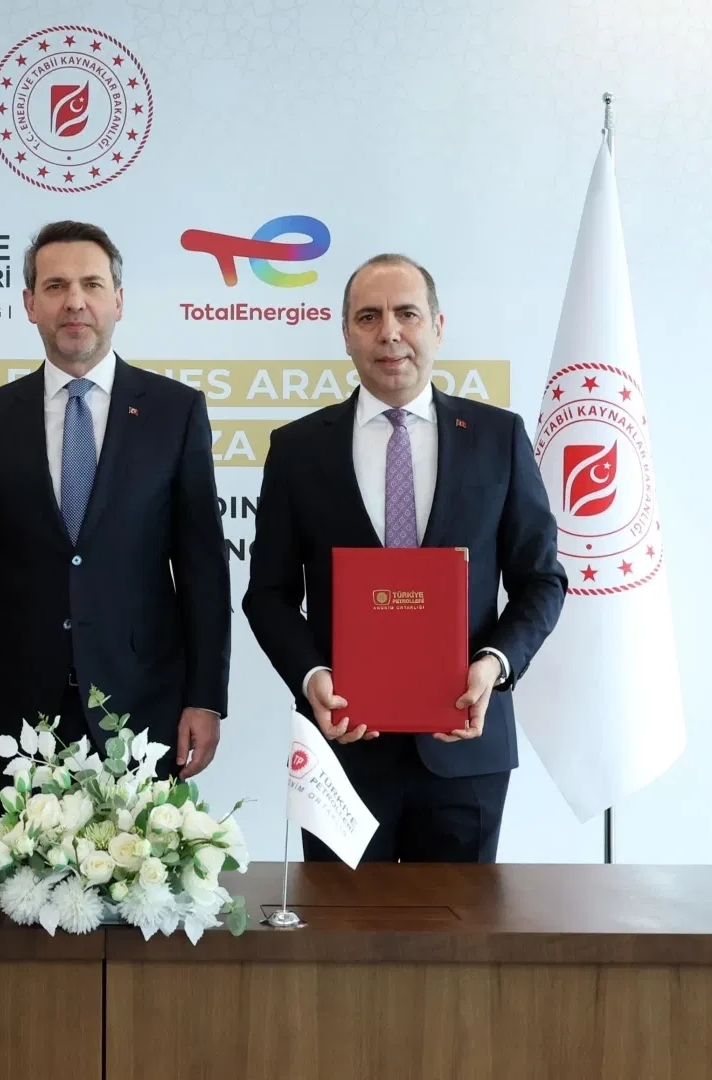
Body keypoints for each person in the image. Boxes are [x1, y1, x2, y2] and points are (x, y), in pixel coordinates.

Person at [243, 254, 567, 863]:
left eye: (407, 314)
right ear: (346, 334)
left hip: (465, 749)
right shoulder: (297, 449)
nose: (389, 333)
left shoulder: (498, 438)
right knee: (339, 925)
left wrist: (494, 665)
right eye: (368, 317)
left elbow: (541, 580)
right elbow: (269, 595)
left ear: (437, 327)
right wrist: (312, 677)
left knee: (460, 926)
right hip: (342, 752)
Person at [0, 219, 232, 837]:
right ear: (29, 303)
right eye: (56, 286)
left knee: (139, 886)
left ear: (118, 300)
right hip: (12, 718)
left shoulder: (176, 412)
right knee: (14, 888)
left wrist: (205, 697)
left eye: (92, 284)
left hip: (144, 709)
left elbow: (203, 569)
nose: (75, 301)